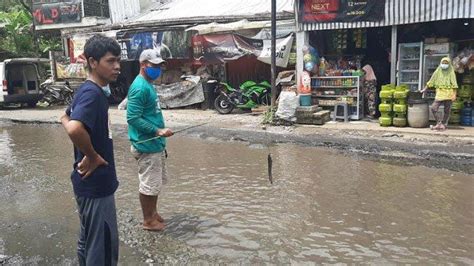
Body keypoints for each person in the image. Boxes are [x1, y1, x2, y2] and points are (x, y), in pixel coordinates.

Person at [60, 35, 122, 265]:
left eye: (118, 61)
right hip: (96, 184)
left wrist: (88, 152)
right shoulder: (92, 94)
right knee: (103, 247)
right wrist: (93, 156)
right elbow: (75, 127)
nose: (117, 66)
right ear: (93, 62)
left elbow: (65, 117)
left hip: (85, 182)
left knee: (88, 242)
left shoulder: (87, 91)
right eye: (111, 61)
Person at [127, 49, 173, 231]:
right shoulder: (139, 87)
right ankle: (148, 220)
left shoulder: (147, 84)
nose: (157, 69)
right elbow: (133, 118)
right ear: (143, 65)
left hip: (154, 144)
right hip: (146, 144)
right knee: (149, 184)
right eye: (153, 66)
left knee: (155, 183)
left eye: (159, 66)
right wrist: (158, 130)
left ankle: (153, 213)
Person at [420, 57, 458, 131]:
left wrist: (454, 94)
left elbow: (454, 84)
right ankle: (439, 123)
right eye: (443, 63)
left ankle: (444, 124)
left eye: (446, 63)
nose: (444, 65)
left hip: (448, 94)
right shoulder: (438, 71)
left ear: (449, 64)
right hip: (440, 93)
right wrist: (424, 89)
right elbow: (431, 80)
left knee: (447, 110)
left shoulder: (451, 71)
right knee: (433, 108)